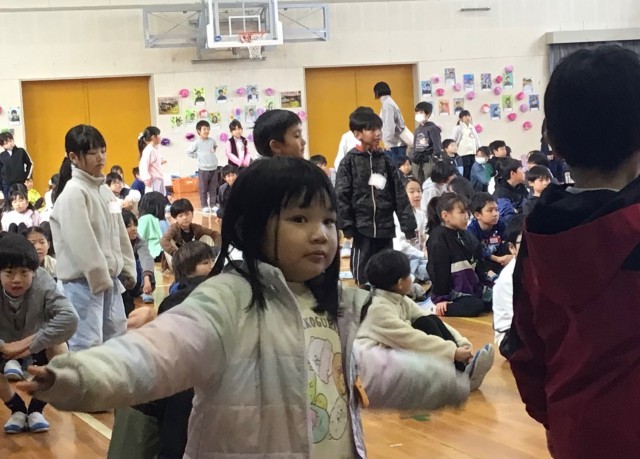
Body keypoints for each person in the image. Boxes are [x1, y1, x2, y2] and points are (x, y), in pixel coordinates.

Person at [19, 157, 468, 457]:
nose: (320, 234)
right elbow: (156, 353)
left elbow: (365, 371)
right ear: (252, 227)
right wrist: (74, 376)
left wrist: (445, 382)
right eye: (299, 219)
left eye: (329, 221)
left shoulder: (335, 306)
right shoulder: (228, 300)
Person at [505, 46, 640, 458]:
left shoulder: (537, 235)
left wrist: (561, 416)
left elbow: (525, 348)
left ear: (553, 142)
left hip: (575, 433)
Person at [49, 125, 136, 351]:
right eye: (92, 152)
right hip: (82, 284)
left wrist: (127, 267)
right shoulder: (73, 194)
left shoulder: (105, 192)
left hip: (109, 280)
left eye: (103, 151)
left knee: (116, 339)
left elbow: (119, 233)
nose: (100, 157)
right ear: (73, 157)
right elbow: (82, 244)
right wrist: (100, 279)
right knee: (87, 344)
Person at [356, 249, 494, 391]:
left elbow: (427, 318)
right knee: (419, 344)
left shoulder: (398, 298)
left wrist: (461, 343)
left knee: (428, 320)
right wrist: (452, 352)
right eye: (409, 275)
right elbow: (412, 339)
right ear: (400, 283)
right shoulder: (378, 309)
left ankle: (462, 372)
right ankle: (458, 378)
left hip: (392, 353)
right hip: (375, 368)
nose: (412, 279)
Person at [0, 232, 78, 434]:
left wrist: (28, 344)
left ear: (34, 271)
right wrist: (4, 347)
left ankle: (36, 409)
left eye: (24, 273)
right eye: (9, 273)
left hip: (36, 342)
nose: (17, 280)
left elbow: (70, 318)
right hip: (3, 343)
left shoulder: (43, 280)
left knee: (60, 348)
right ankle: (17, 409)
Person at [336, 108, 417, 286]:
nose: (378, 133)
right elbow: (342, 195)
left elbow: (399, 194)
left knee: (386, 268)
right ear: (357, 134)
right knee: (362, 270)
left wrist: (408, 225)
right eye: (372, 129)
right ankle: (362, 294)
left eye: (379, 129)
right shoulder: (349, 162)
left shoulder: (386, 160)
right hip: (362, 228)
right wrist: (346, 225)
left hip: (385, 226)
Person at [426, 193, 490, 317]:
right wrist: (441, 298)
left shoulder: (466, 234)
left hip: (472, 288)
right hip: (453, 292)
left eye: (467, 212)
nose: (466, 216)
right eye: (461, 212)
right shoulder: (438, 238)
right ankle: (433, 308)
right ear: (445, 216)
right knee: (476, 306)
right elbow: (438, 270)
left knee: (497, 298)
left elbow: (479, 263)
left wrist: (486, 284)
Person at [492, 213, 524, 352]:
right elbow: (520, 320)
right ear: (512, 248)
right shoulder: (508, 277)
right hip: (510, 336)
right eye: (524, 242)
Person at [160, 198, 220, 269]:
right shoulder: (174, 228)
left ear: (192, 214)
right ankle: (178, 269)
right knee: (169, 242)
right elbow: (163, 241)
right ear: (175, 218)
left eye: (187, 214)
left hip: (194, 259)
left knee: (207, 237)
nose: (185, 218)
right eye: (180, 216)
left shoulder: (196, 228)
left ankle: (209, 263)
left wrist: (215, 248)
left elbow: (215, 234)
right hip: (180, 260)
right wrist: (175, 253)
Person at [467, 192, 511, 277]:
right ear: (477, 215)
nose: (495, 214)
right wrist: (497, 259)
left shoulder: (501, 225)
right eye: (490, 210)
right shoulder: (471, 231)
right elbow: (478, 253)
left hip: (500, 261)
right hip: (484, 265)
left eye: (496, 210)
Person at [393, 178, 428, 283]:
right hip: (404, 260)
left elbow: (424, 237)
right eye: (411, 192)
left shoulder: (420, 214)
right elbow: (400, 246)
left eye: (419, 191)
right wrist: (422, 254)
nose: (417, 195)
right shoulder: (395, 217)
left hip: (419, 258)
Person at [121, 210, 155, 313]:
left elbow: (146, 257)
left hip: (136, 281)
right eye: (128, 226)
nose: (134, 229)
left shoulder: (139, 241)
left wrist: (147, 279)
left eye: (135, 225)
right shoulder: (113, 242)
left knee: (143, 261)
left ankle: (145, 291)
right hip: (122, 282)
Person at [187, 120, 219, 214]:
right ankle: (204, 205)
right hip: (203, 169)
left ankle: (213, 205)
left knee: (213, 188)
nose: (206, 131)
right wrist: (197, 156)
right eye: (204, 129)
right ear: (198, 131)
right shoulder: (196, 143)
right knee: (203, 188)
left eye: (208, 129)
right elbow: (189, 152)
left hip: (214, 167)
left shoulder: (212, 141)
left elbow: (215, 147)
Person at [374, 81, 408, 164]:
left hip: (394, 145)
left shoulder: (387, 104)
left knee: (395, 167)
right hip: (396, 144)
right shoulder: (389, 102)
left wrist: (387, 142)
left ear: (377, 92)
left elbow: (389, 126)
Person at [412, 102, 443, 183]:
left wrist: (435, 157)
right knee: (418, 180)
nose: (418, 115)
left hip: (428, 159)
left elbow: (437, 146)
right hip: (418, 159)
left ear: (428, 114)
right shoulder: (417, 129)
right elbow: (414, 145)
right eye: (416, 113)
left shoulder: (433, 128)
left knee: (428, 180)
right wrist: (413, 155)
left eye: (421, 112)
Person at [0, 132, 33, 200]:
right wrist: (1, 187)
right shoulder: (1, 156)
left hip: (20, 183)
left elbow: (30, 164)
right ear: (2, 145)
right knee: (9, 202)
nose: (10, 143)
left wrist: (27, 177)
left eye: (11, 140)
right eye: (6, 143)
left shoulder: (21, 151)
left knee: (22, 200)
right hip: (7, 185)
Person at [493, 158, 528, 223]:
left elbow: (529, 205)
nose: (524, 172)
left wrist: (517, 210)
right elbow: (506, 215)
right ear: (513, 173)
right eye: (520, 169)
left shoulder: (521, 186)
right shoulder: (501, 192)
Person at [137, 191, 169, 261]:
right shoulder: (146, 218)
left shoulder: (163, 220)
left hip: (165, 250)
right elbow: (139, 239)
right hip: (156, 253)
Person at [451, 110, 481, 179]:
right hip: (463, 154)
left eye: (469, 116)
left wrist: (479, 149)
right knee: (465, 172)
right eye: (465, 116)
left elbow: (477, 140)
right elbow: (453, 140)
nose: (468, 117)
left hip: (472, 154)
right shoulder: (458, 128)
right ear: (460, 118)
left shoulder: (472, 128)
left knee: (472, 172)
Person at [138, 126, 166, 195]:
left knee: (160, 198)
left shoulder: (154, 149)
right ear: (153, 137)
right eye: (158, 135)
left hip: (158, 179)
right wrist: (146, 178)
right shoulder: (149, 150)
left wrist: (161, 162)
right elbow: (143, 165)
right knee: (154, 199)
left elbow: (154, 161)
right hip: (153, 180)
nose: (160, 137)